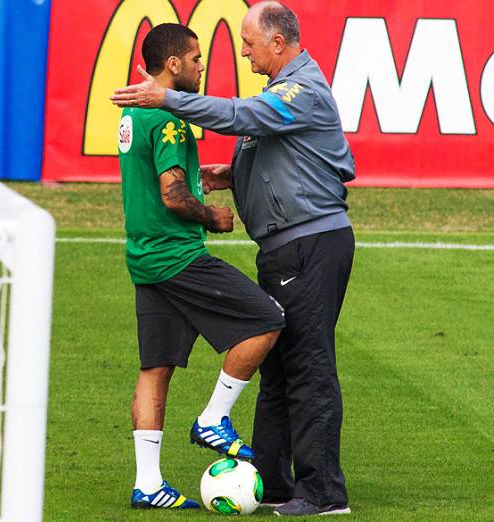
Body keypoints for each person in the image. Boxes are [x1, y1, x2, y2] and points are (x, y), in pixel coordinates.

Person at [111, 1, 355, 517]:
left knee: (307, 364)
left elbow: (242, 116)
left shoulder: (301, 90)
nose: (240, 49)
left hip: (312, 245)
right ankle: (273, 480)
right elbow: (274, 149)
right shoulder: (278, 92)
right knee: (278, 366)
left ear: (277, 42)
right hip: (282, 248)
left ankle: (324, 493)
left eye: (247, 41)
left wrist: (168, 99)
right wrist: (234, 175)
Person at [119, 23, 284, 511]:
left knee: (155, 370)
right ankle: (215, 417)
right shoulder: (167, 119)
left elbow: (158, 181)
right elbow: (173, 194)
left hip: (145, 258)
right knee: (267, 319)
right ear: (173, 64)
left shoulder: (133, 114)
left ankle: (148, 484)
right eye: (195, 60)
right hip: (178, 256)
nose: (200, 68)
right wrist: (213, 217)